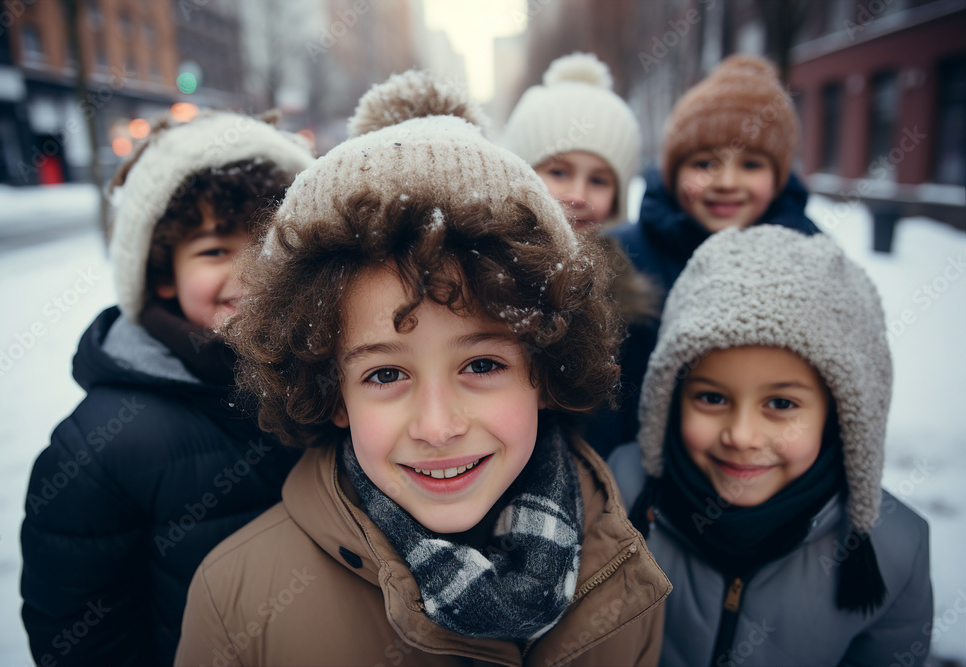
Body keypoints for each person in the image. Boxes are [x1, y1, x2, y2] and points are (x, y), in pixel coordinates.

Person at [174, 70, 670, 667]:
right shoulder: (237, 603)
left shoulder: (627, 575)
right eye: (385, 374)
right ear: (331, 392)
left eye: (482, 364)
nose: (438, 427)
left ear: (546, 368)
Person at [21, 112, 316, 666]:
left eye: (269, 241)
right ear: (162, 274)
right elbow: (83, 638)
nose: (251, 271)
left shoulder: (337, 383)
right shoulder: (101, 448)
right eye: (213, 250)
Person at [608, 225, 933, 666]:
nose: (741, 436)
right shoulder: (614, 498)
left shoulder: (893, 550)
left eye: (781, 403)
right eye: (712, 397)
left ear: (842, 416)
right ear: (670, 396)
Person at [609, 54, 821, 452]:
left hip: (758, 466)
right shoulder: (625, 256)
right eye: (705, 163)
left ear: (778, 178)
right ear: (673, 173)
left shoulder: (811, 258)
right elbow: (601, 393)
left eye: (751, 164)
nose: (726, 182)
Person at [501, 52, 657, 458]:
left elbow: (624, 416)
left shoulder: (627, 299)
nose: (578, 194)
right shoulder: (492, 272)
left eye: (600, 179)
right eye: (558, 171)